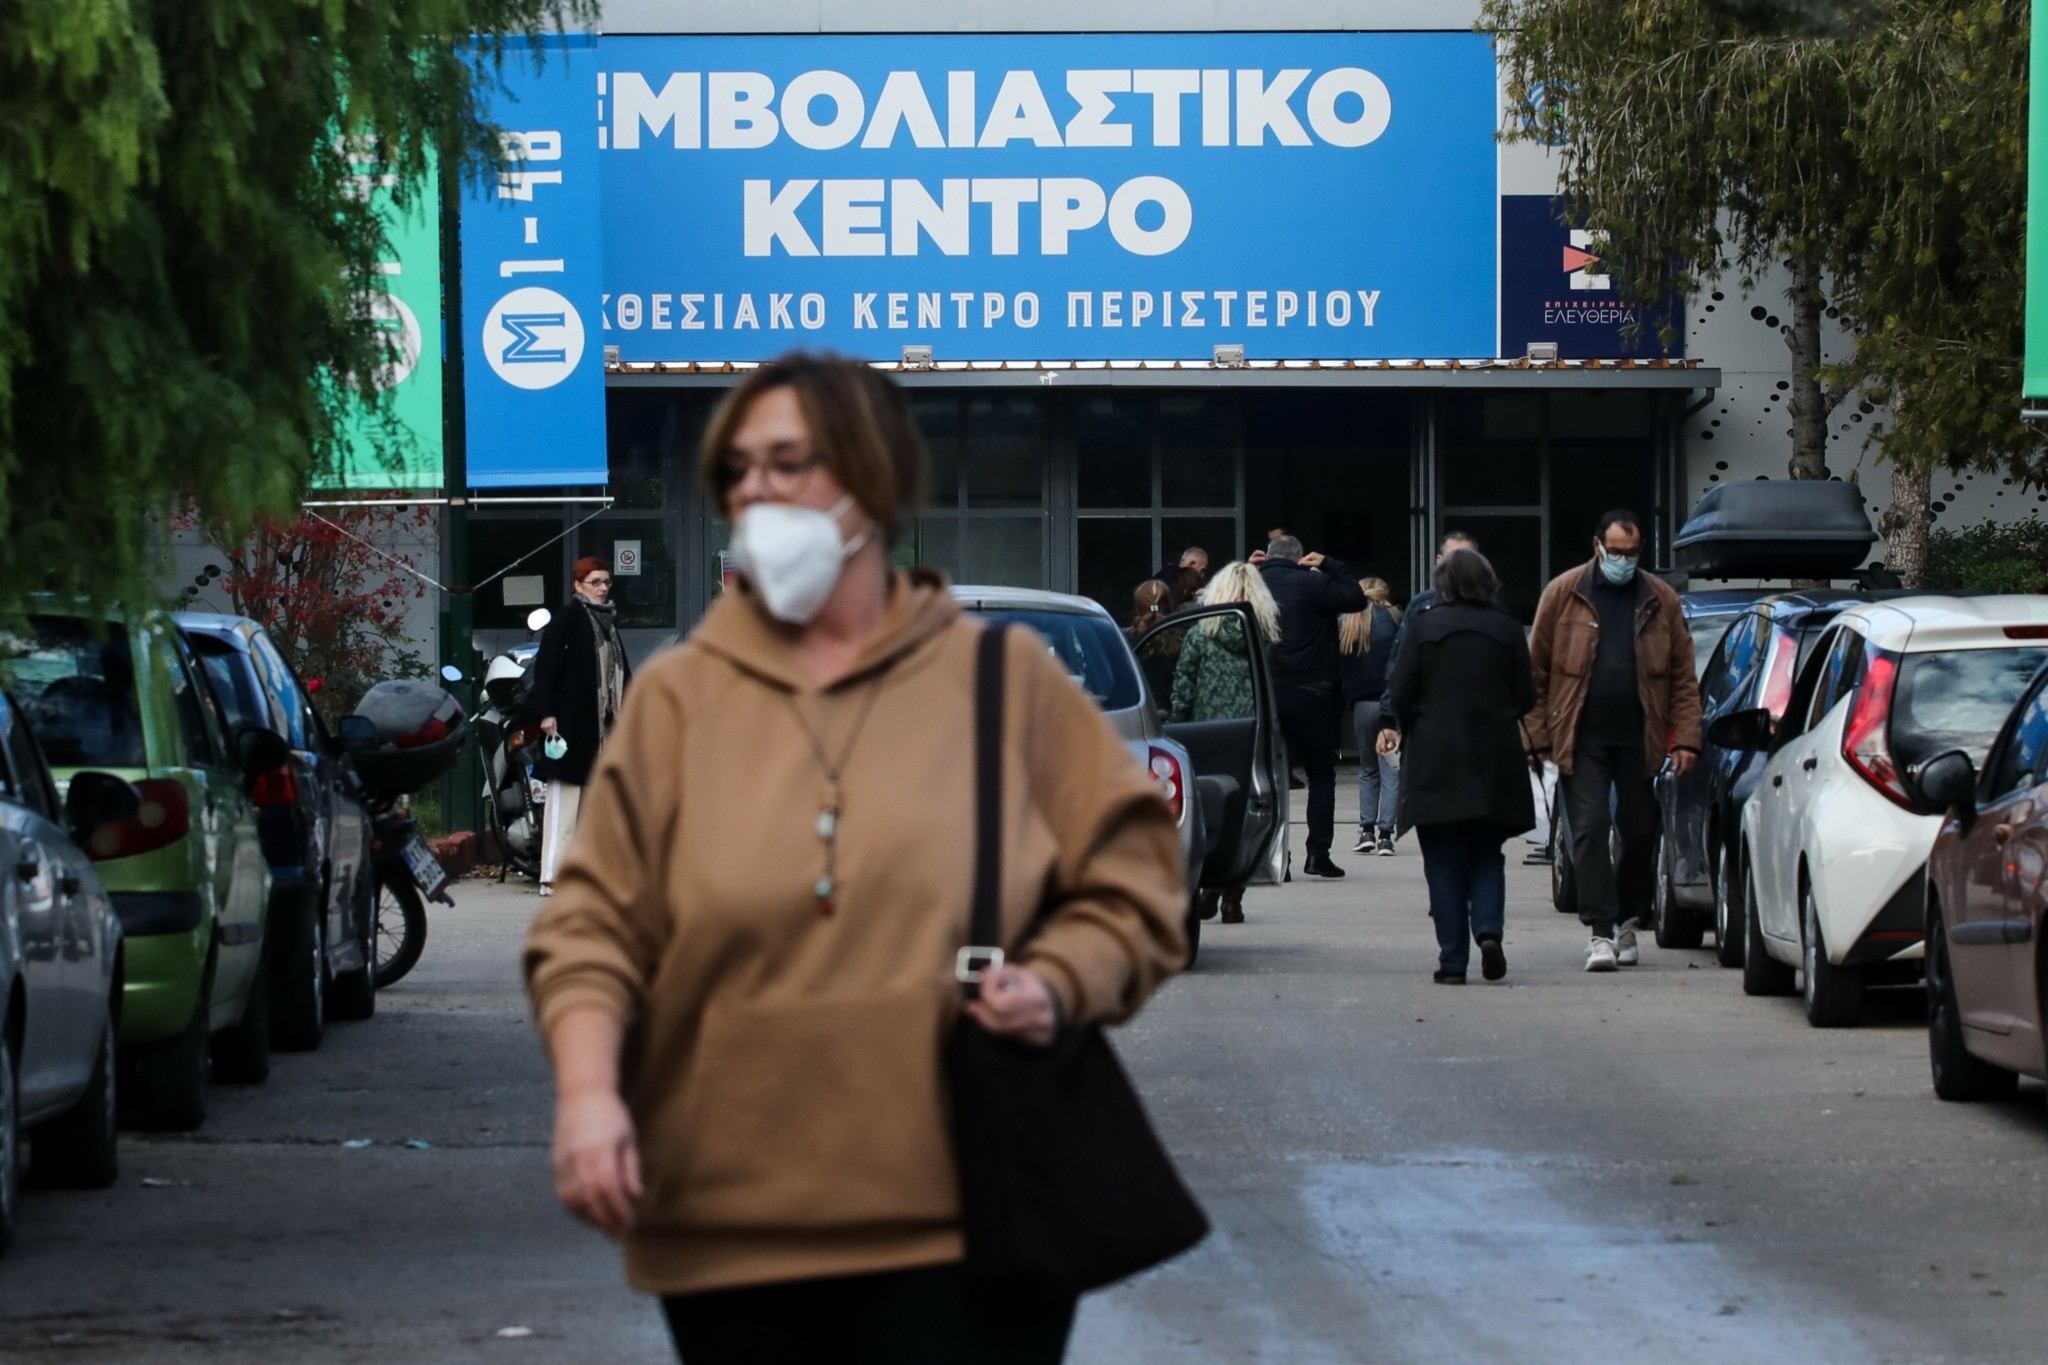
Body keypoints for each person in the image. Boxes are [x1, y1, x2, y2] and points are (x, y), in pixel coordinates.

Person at [524, 352, 1187, 1364]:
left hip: (967, 1217)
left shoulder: (1003, 683)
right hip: (725, 1222)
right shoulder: (680, 697)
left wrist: (1059, 982)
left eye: (789, 461)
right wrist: (586, 1095)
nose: (756, 491)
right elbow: (590, 923)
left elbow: (1134, 880)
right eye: (739, 470)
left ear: (873, 479)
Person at [1527, 509, 1701, 974]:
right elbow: (1535, 673)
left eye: (1632, 552)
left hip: (1640, 737)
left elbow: (1684, 677)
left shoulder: (1660, 599)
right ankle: (1601, 932)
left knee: (1641, 830)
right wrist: (1537, 740)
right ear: (1597, 546)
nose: (1624, 560)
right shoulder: (1565, 594)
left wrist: (1685, 739)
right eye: (1616, 551)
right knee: (1588, 828)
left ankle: (1627, 919)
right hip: (1580, 736)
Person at [1387, 549, 1536, 984]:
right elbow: (1526, 694)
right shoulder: (1507, 628)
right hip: (1495, 753)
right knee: (1487, 851)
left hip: (1436, 752)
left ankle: (1453, 962)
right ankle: (1488, 931)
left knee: (1443, 859)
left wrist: (1410, 721)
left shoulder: (1424, 625)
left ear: (1444, 584)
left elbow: (1400, 688)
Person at [1167, 560, 1282, 923]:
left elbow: (1184, 686)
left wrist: (1176, 725)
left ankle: (1206, 886)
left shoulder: (1201, 633)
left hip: (1208, 730)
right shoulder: (1262, 634)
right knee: (1244, 812)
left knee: (1206, 809)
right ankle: (1233, 896)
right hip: (1252, 731)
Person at [1256, 535, 1367, 877]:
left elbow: (1221, 599)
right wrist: (1330, 564)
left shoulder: (1254, 583)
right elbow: (1356, 598)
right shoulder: (1313, 583)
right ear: (1300, 558)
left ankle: (1277, 857)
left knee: (1271, 778)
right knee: (1320, 774)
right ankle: (1317, 854)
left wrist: (1247, 568)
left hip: (1267, 695)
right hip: (1313, 694)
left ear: (1268, 557)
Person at [530, 556, 632, 897]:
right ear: (578, 586)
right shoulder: (569, 617)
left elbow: (621, 675)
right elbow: (545, 666)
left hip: (603, 726)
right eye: (595, 582)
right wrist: (546, 713)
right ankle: (551, 875)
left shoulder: (609, 623)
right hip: (570, 723)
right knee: (564, 799)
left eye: (606, 582)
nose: (603, 588)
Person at [1339, 579, 1402, 856]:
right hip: (1390, 705)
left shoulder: (1348, 621)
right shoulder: (1394, 618)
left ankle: (1366, 830)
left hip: (1362, 705)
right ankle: (1386, 836)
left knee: (1367, 769)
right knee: (1390, 769)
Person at [1127, 578, 1178, 702]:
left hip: (1137, 709)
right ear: (1169, 605)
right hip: (1171, 712)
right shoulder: (1182, 639)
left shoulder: (1124, 642)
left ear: (1138, 607)